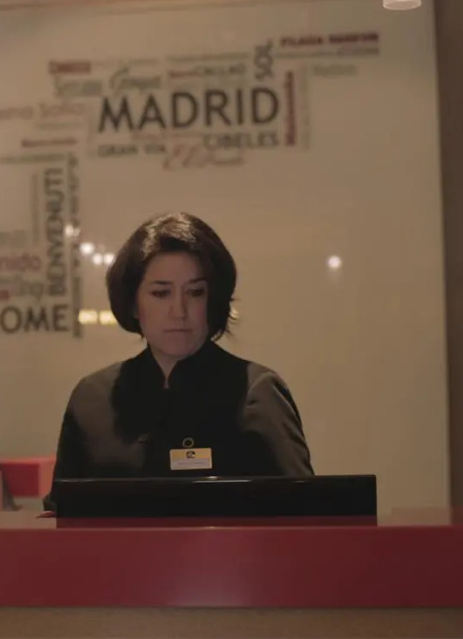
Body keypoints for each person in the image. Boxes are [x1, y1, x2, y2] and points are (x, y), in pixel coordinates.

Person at [44, 212, 313, 511]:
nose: (179, 311)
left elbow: (304, 513)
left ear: (214, 301)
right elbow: (60, 515)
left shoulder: (257, 392)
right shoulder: (92, 398)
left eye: (195, 293)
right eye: (161, 293)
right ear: (133, 303)